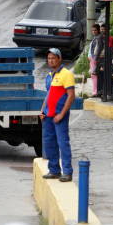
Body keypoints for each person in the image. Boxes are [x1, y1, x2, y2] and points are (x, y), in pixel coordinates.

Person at [40, 48, 75, 182]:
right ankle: (54, 170)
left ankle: (67, 172)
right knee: (49, 143)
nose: (51, 60)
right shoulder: (49, 75)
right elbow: (48, 95)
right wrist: (42, 111)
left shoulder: (66, 74)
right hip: (48, 116)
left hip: (59, 116)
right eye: (49, 58)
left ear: (59, 59)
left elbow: (71, 96)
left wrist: (62, 114)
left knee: (62, 143)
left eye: (53, 58)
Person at [88, 24, 104, 98]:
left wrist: (95, 59)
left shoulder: (98, 38)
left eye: (95, 30)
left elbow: (98, 49)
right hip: (93, 58)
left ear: (98, 30)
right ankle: (95, 91)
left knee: (94, 75)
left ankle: (95, 92)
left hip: (95, 58)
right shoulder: (96, 38)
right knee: (93, 75)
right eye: (92, 30)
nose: (93, 32)